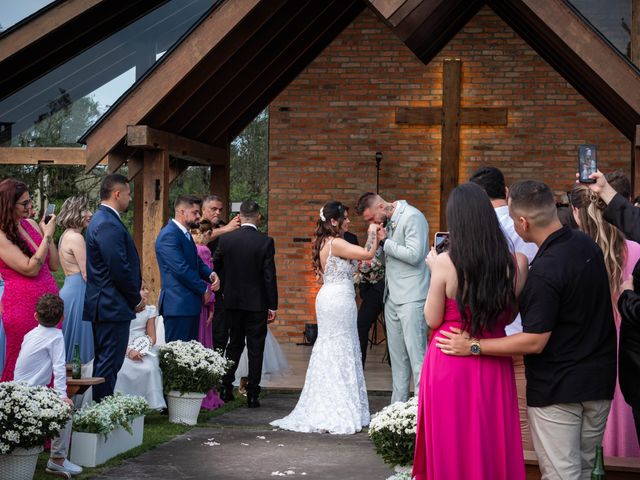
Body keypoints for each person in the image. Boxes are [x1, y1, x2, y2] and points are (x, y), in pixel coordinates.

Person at [437, 180, 616, 480]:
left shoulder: (545, 270)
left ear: (523, 222)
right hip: (598, 382)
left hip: (560, 389)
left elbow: (534, 341)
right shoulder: (587, 246)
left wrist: (475, 346)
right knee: (586, 471)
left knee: (562, 475)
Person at [413, 183, 528, 480]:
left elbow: (431, 318)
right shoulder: (516, 264)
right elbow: (512, 313)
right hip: (494, 360)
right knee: (491, 438)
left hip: (449, 359)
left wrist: (432, 269)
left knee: (450, 440)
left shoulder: (444, 263)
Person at [271, 201, 380, 433]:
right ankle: (337, 406)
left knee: (333, 347)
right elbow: (368, 253)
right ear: (333, 221)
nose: (349, 222)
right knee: (340, 347)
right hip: (338, 300)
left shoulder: (324, 242)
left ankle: (329, 400)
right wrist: (372, 230)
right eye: (346, 218)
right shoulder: (337, 243)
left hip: (331, 297)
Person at [469, 166, 537, 450]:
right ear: (506, 193)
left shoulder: (474, 231)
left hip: (483, 334)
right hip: (521, 328)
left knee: (486, 417)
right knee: (522, 419)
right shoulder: (523, 224)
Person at [570, 183, 640, 456]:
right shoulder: (635, 248)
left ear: (577, 214)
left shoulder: (578, 255)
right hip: (633, 351)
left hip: (596, 352)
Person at [355, 192, 429, 403]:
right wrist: (376, 244)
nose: (371, 223)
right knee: (397, 361)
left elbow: (415, 255)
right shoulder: (386, 223)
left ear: (380, 206)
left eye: (370, 218)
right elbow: (384, 260)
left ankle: (422, 409)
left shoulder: (413, 217)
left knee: (417, 358)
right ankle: (397, 410)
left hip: (412, 296)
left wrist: (386, 241)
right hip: (391, 297)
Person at [84, 174, 143, 402]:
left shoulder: (103, 219)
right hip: (110, 303)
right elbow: (118, 267)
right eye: (128, 194)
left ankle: (103, 407)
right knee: (109, 362)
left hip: (108, 303)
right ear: (117, 194)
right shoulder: (107, 222)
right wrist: (135, 298)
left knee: (108, 361)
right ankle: (102, 409)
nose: (130, 198)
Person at [215, 200, 277, 408]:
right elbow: (269, 276)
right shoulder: (265, 242)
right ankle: (252, 393)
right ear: (258, 217)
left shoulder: (226, 240)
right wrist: (273, 305)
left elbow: (216, 267)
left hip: (232, 301)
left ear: (239, 217)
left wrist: (225, 289)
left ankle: (225, 385)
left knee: (234, 344)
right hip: (257, 303)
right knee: (255, 348)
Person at [14, 294, 82, 477]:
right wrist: (62, 397)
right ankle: (57, 460)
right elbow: (59, 368)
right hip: (33, 392)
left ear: (35, 316)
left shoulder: (30, 334)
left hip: (18, 390)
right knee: (66, 411)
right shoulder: (56, 336)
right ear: (63, 318)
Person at [0, 178, 59, 381]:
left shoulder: (31, 224)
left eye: (30, 201)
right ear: (9, 204)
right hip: (22, 306)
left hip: (49, 306)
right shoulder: (1, 235)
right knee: (23, 361)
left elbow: (54, 265)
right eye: (24, 203)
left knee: (50, 359)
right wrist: (48, 236)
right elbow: (30, 268)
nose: (30, 207)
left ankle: (51, 408)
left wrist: (46, 233)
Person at [155, 195, 219, 343]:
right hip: (177, 305)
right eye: (195, 212)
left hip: (189, 305)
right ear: (182, 212)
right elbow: (181, 269)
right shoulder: (169, 235)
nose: (199, 216)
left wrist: (211, 274)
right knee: (176, 358)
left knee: (190, 356)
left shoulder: (186, 234)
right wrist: (204, 288)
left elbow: (195, 261)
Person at [114, 284, 166, 410]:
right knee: (120, 370)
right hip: (122, 346)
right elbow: (115, 337)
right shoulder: (120, 309)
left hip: (143, 346)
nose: (147, 291)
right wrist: (129, 351)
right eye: (142, 289)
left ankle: (146, 404)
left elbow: (152, 337)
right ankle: (119, 404)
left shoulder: (150, 310)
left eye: (146, 288)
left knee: (149, 368)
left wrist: (143, 348)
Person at [191, 219, 224, 410]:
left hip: (196, 301)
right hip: (204, 302)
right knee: (204, 344)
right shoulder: (203, 250)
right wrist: (212, 304)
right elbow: (208, 280)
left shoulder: (193, 250)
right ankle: (205, 393)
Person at [202, 195, 240, 353]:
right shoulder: (195, 227)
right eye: (213, 209)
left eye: (220, 210)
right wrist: (226, 229)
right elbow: (199, 238)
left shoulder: (227, 228)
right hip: (200, 289)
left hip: (220, 291)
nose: (217, 213)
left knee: (220, 334)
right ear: (203, 210)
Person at [57, 196, 93, 365]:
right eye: (86, 210)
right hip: (79, 292)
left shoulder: (66, 235)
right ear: (76, 212)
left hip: (70, 288)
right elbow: (87, 273)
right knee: (79, 342)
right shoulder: (76, 238)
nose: (90, 214)